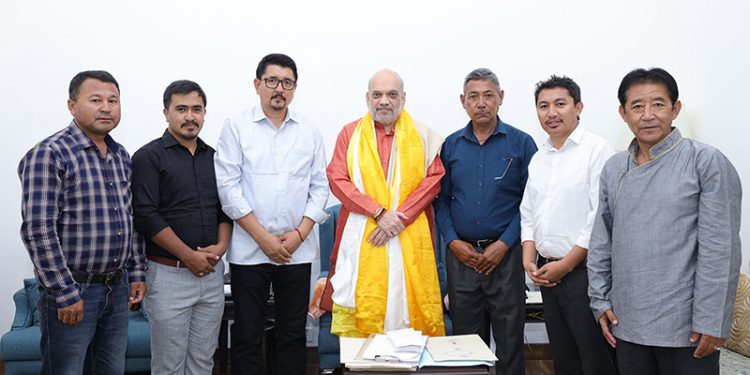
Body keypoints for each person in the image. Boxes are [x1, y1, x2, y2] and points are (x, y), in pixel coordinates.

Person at [588, 67, 742, 375]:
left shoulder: (705, 162)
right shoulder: (614, 168)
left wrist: (713, 320)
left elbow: (720, 250)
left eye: (658, 104)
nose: (648, 115)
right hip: (627, 324)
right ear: (623, 113)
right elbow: (601, 241)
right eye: (637, 106)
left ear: (675, 108)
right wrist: (600, 301)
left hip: (688, 330)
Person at [18, 70, 147, 374]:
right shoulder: (50, 154)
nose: (106, 107)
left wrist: (137, 271)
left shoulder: (120, 156)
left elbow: (131, 219)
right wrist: (65, 293)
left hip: (115, 290)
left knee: (110, 369)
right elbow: (38, 230)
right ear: (72, 106)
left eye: (113, 100)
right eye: (96, 100)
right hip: (73, 290)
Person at [214, 53, 329, 374]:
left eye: (287, 83)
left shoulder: (309, 130)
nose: (280, 88)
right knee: (248, 334)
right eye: (272, 81)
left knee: (292, 335)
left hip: (297, 251)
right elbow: (228, 189)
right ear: (257, 84)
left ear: (294, 88)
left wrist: (298, 236)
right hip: (250, 252)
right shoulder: (236, 128)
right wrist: (264, 239)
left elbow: (320, 187)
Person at [320, 69, 446, 338]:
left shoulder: (423, 135)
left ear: (403, 98)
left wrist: (397, 219)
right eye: (377, 94)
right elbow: (337, 178)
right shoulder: (350, 133)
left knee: (407, 310)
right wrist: (377, 212)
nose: (384, 101)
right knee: (365, 309)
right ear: (368, 98)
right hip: (364, 234)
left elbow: (433, 181)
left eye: (392, 94)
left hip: (409, 234)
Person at [434, 68, 536, 375]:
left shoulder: (521, 144)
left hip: (506, 258)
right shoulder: (450, 146)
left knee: (510, 344)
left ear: (500, 98)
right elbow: (441, 200)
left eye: (488, 95)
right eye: (474, 97)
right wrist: (453, 242)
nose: (481, 103)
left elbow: (531, 203)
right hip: (461, 258)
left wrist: (504, 244)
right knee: (467, 346)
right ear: (463, 101)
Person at [132, 80, 232, 374]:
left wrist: (221, 247)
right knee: (168, 366)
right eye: (182, 109)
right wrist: (188, 255)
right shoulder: (148, 157)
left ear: (204, 113)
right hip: (168, 276)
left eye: (197, 109)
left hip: (212, 276)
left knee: (203, 362)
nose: (190, 116)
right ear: (166, 113)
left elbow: (225, 208)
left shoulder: (215, 157)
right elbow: (146, 215)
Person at [520, 75, 616, 375]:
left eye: (560, 104)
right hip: (548, 275)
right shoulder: (539, 157)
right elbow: (528, 213)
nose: (552, 113)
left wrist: (567, 264)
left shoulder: (597, 150)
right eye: (543, 106)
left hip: (584, 274)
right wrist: (528, 259)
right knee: (564, 358)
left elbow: (599, 217)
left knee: (595, 358)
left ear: (578, 107)